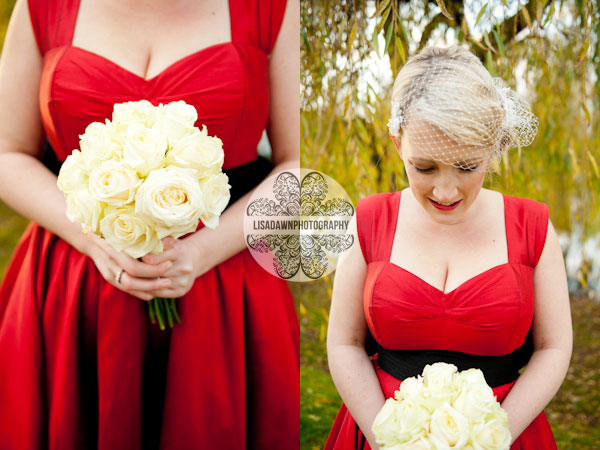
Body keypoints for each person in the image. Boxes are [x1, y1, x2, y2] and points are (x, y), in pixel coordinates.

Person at [0, 0, 299, 448]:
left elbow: (297, 167)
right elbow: (7, 153)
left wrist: (199, 254)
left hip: (225, 285)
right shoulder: (42, 7)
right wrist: (92, 239)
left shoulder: (273, 8)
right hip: (74, 283)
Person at [324, 46, 572, 449]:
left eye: (466, 167)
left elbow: (554, 347)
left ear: (494, 148)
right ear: (397, 142)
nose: (444, 190)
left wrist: (491, 437)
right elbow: (344, 342)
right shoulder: (368, 221)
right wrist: (386, 436)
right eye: (424, 168)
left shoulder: (534, 228)